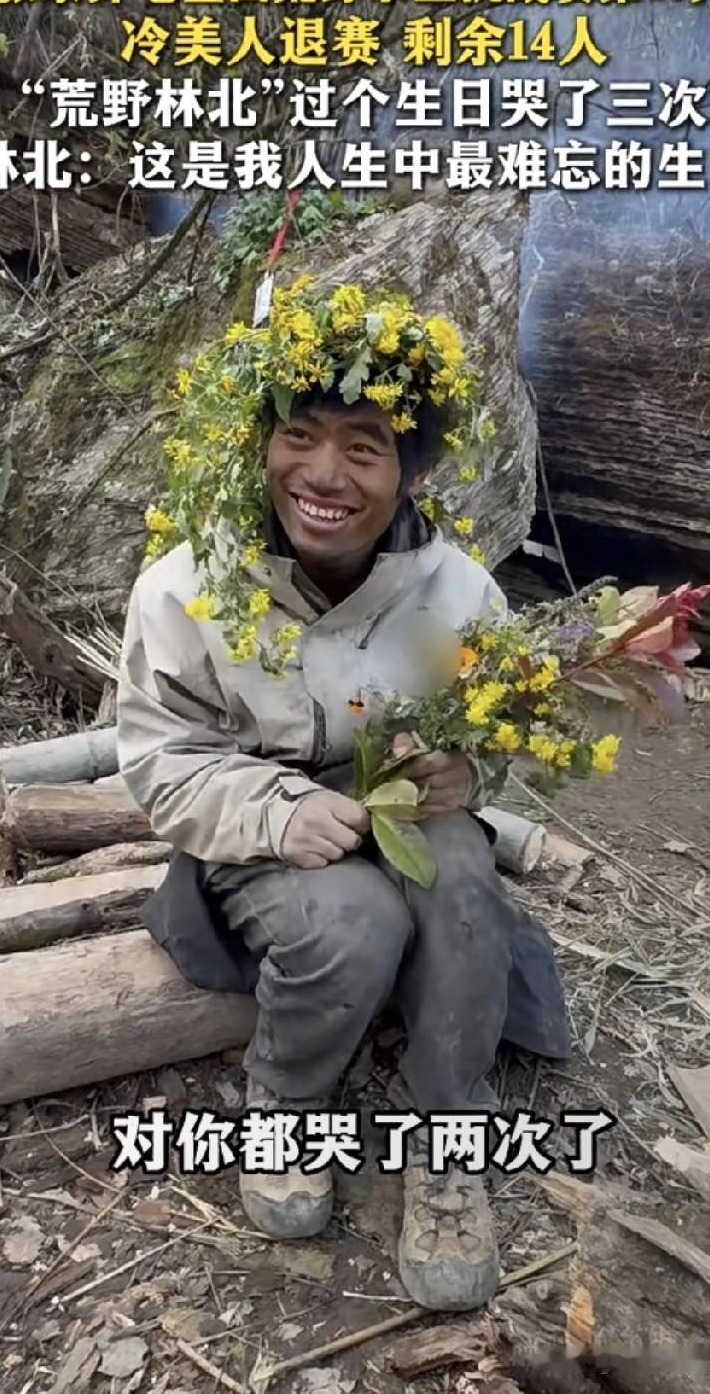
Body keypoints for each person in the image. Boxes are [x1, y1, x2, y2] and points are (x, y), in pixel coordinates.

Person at [116, 293, 571, 1313]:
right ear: (257, 443)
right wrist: (276, 812)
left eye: (363, 448)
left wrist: (467, 775)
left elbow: (510, 737)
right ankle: (284, 1100)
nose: (322, 476)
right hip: (255, 830)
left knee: (462, 888)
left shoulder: (456, 595)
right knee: (352, 920)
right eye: (298, 436)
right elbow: (160, 759)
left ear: (411, 470)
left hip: (409, 820)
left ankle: (448, 1138)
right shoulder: (186, 586)